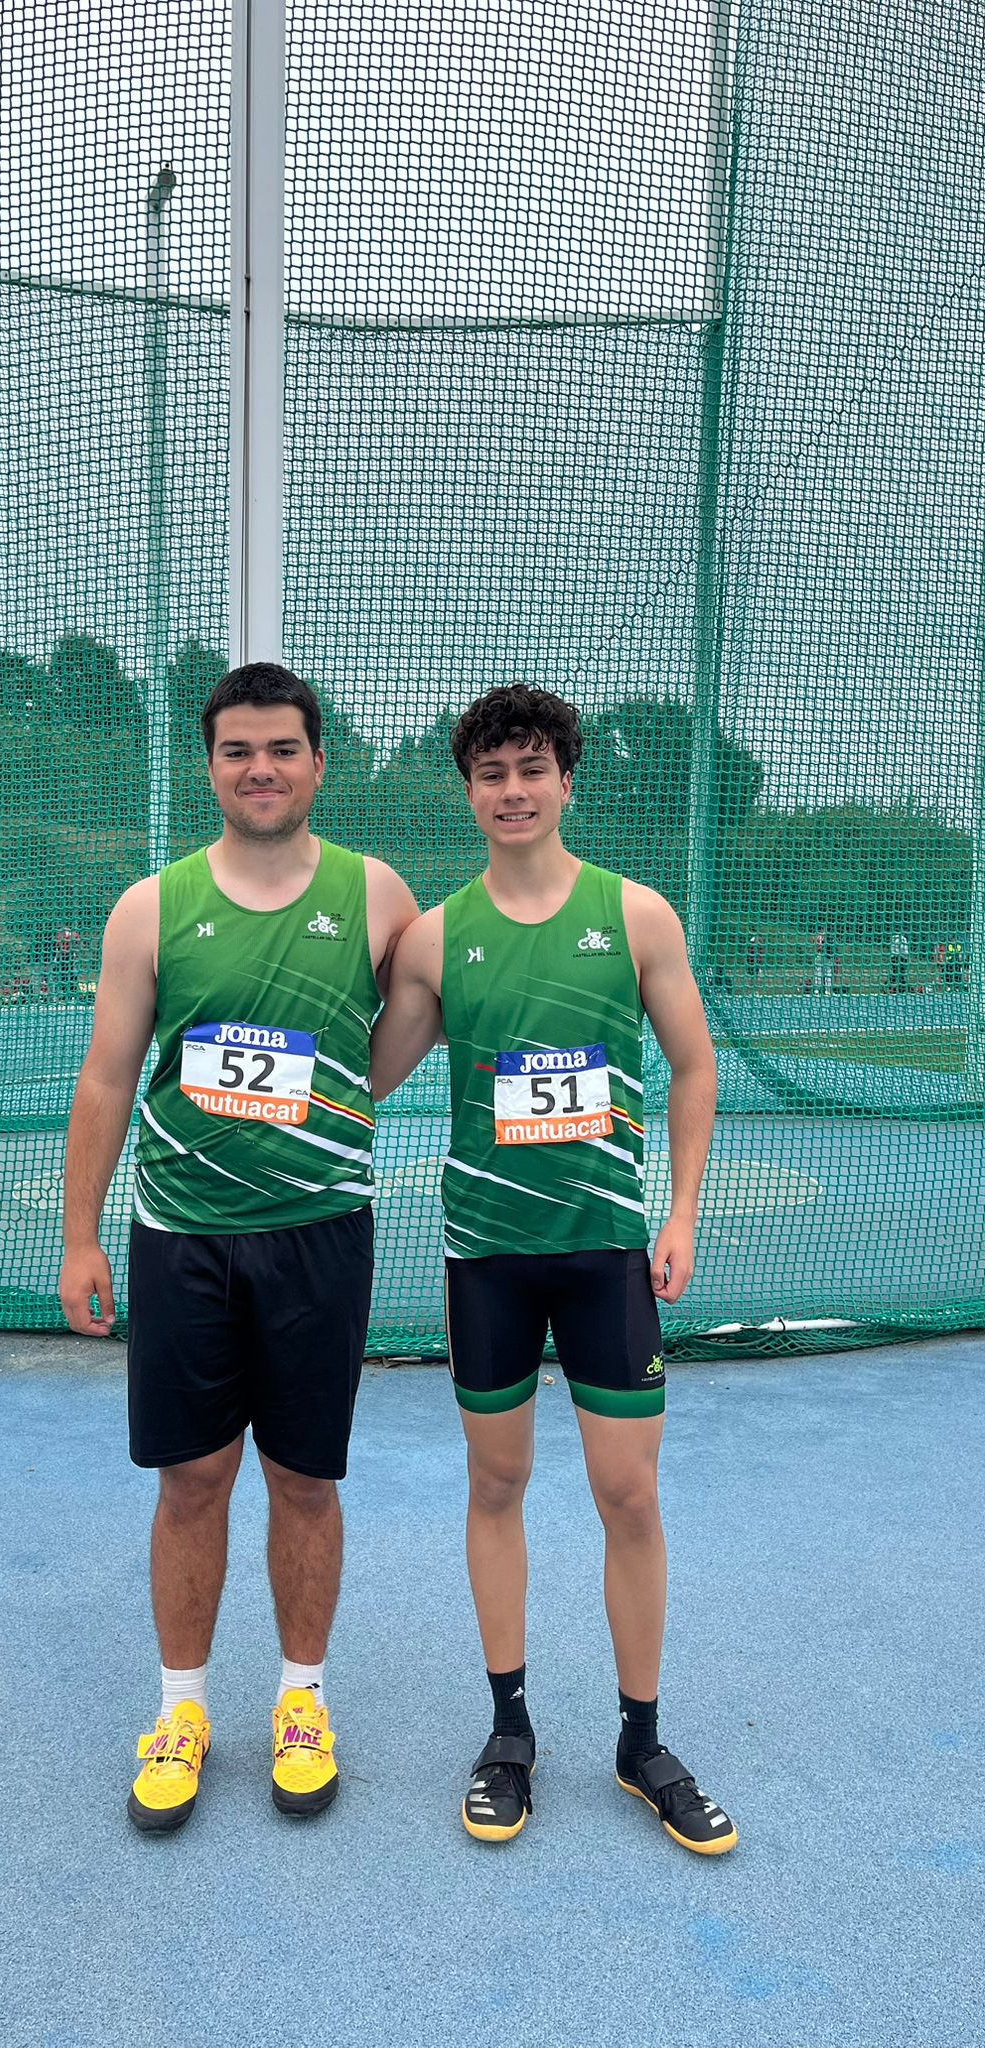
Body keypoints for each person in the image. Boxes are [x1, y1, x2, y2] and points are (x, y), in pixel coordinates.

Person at [369, 684, 735, 1855]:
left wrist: (680, 1213)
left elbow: (693, 1064)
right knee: (497, 1485)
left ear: (566, 781)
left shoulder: (635, 916)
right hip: (487, 1258)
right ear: (469, 791)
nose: (513, 790)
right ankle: (509, 1732)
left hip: (605, 1255)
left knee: (630, 1493)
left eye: (532, 768)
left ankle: (642, 1742)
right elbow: (363, 1074)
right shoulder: (437, 937)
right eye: (492, 772)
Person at [58, 662, 417, 1833]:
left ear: (318, 761)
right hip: (184, 1242)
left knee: (304, 1479)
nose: (260, 768)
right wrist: (79, 1236)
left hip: (319, 1237)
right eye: (237, 750)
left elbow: (418, 1020)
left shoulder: (377, 897)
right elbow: (108, 1076)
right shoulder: (150, 907)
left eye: (281, 748)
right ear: (211, 765)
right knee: (192, 1479)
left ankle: (302, 1700)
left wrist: (340, 1101)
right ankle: (181, 1711)